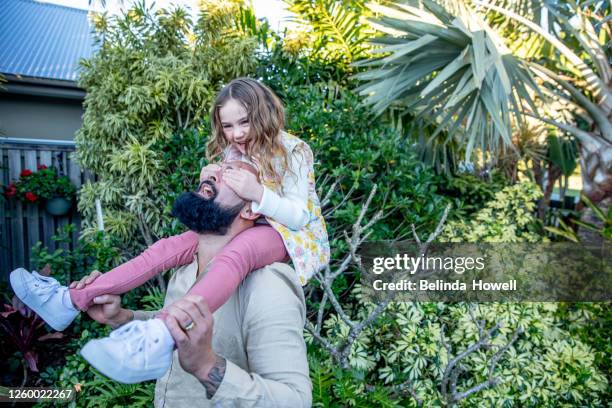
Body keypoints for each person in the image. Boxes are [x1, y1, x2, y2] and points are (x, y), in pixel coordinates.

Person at [10, 78, 329, 383]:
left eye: (243, 122)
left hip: (286, 234)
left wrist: (259, 194)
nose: (236, 134)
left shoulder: (292, 150)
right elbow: (220, 199)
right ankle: (68, 300)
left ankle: (162, 333)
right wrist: (210, 178)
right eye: (227, 126)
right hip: (243, 222)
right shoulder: (235, 149)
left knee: (237, 255)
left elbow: (299, 217)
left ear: (263, 115)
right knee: (164, 249)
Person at [74, 160, 312, 406]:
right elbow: (180, 330)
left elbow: (295, 400)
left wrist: (206, 366)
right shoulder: (187, 269)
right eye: (219, 165)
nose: (214, 173)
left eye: (232, 173)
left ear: (251, 210)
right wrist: (123, 318)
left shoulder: (267, 285)